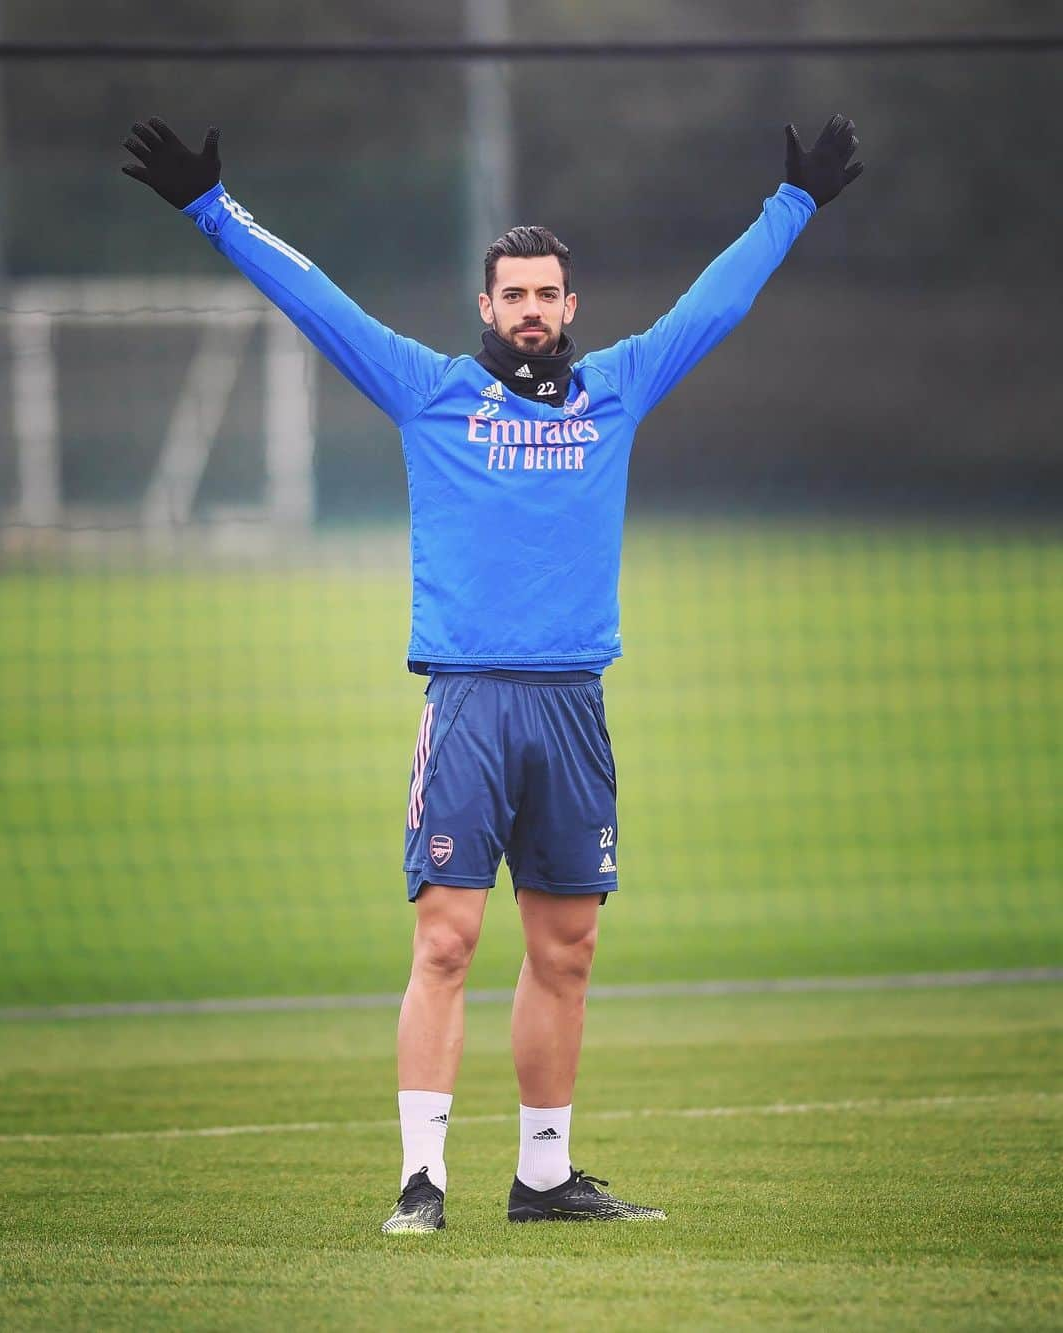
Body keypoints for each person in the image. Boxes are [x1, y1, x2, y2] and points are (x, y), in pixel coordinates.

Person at [121, 111, 863, 1232]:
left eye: (545, 294)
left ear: (571, 308)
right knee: (448, 937)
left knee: (568, 945)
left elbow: (715, 304)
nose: (528, 310)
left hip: (574, 704)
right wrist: (212, 210)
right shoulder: (431, 393)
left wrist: (792, 203)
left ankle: (545, 1177)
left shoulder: (617, 389)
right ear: (486, 306)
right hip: (468, 701)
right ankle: (422, 1182)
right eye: (510, 293)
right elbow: (320, 304)